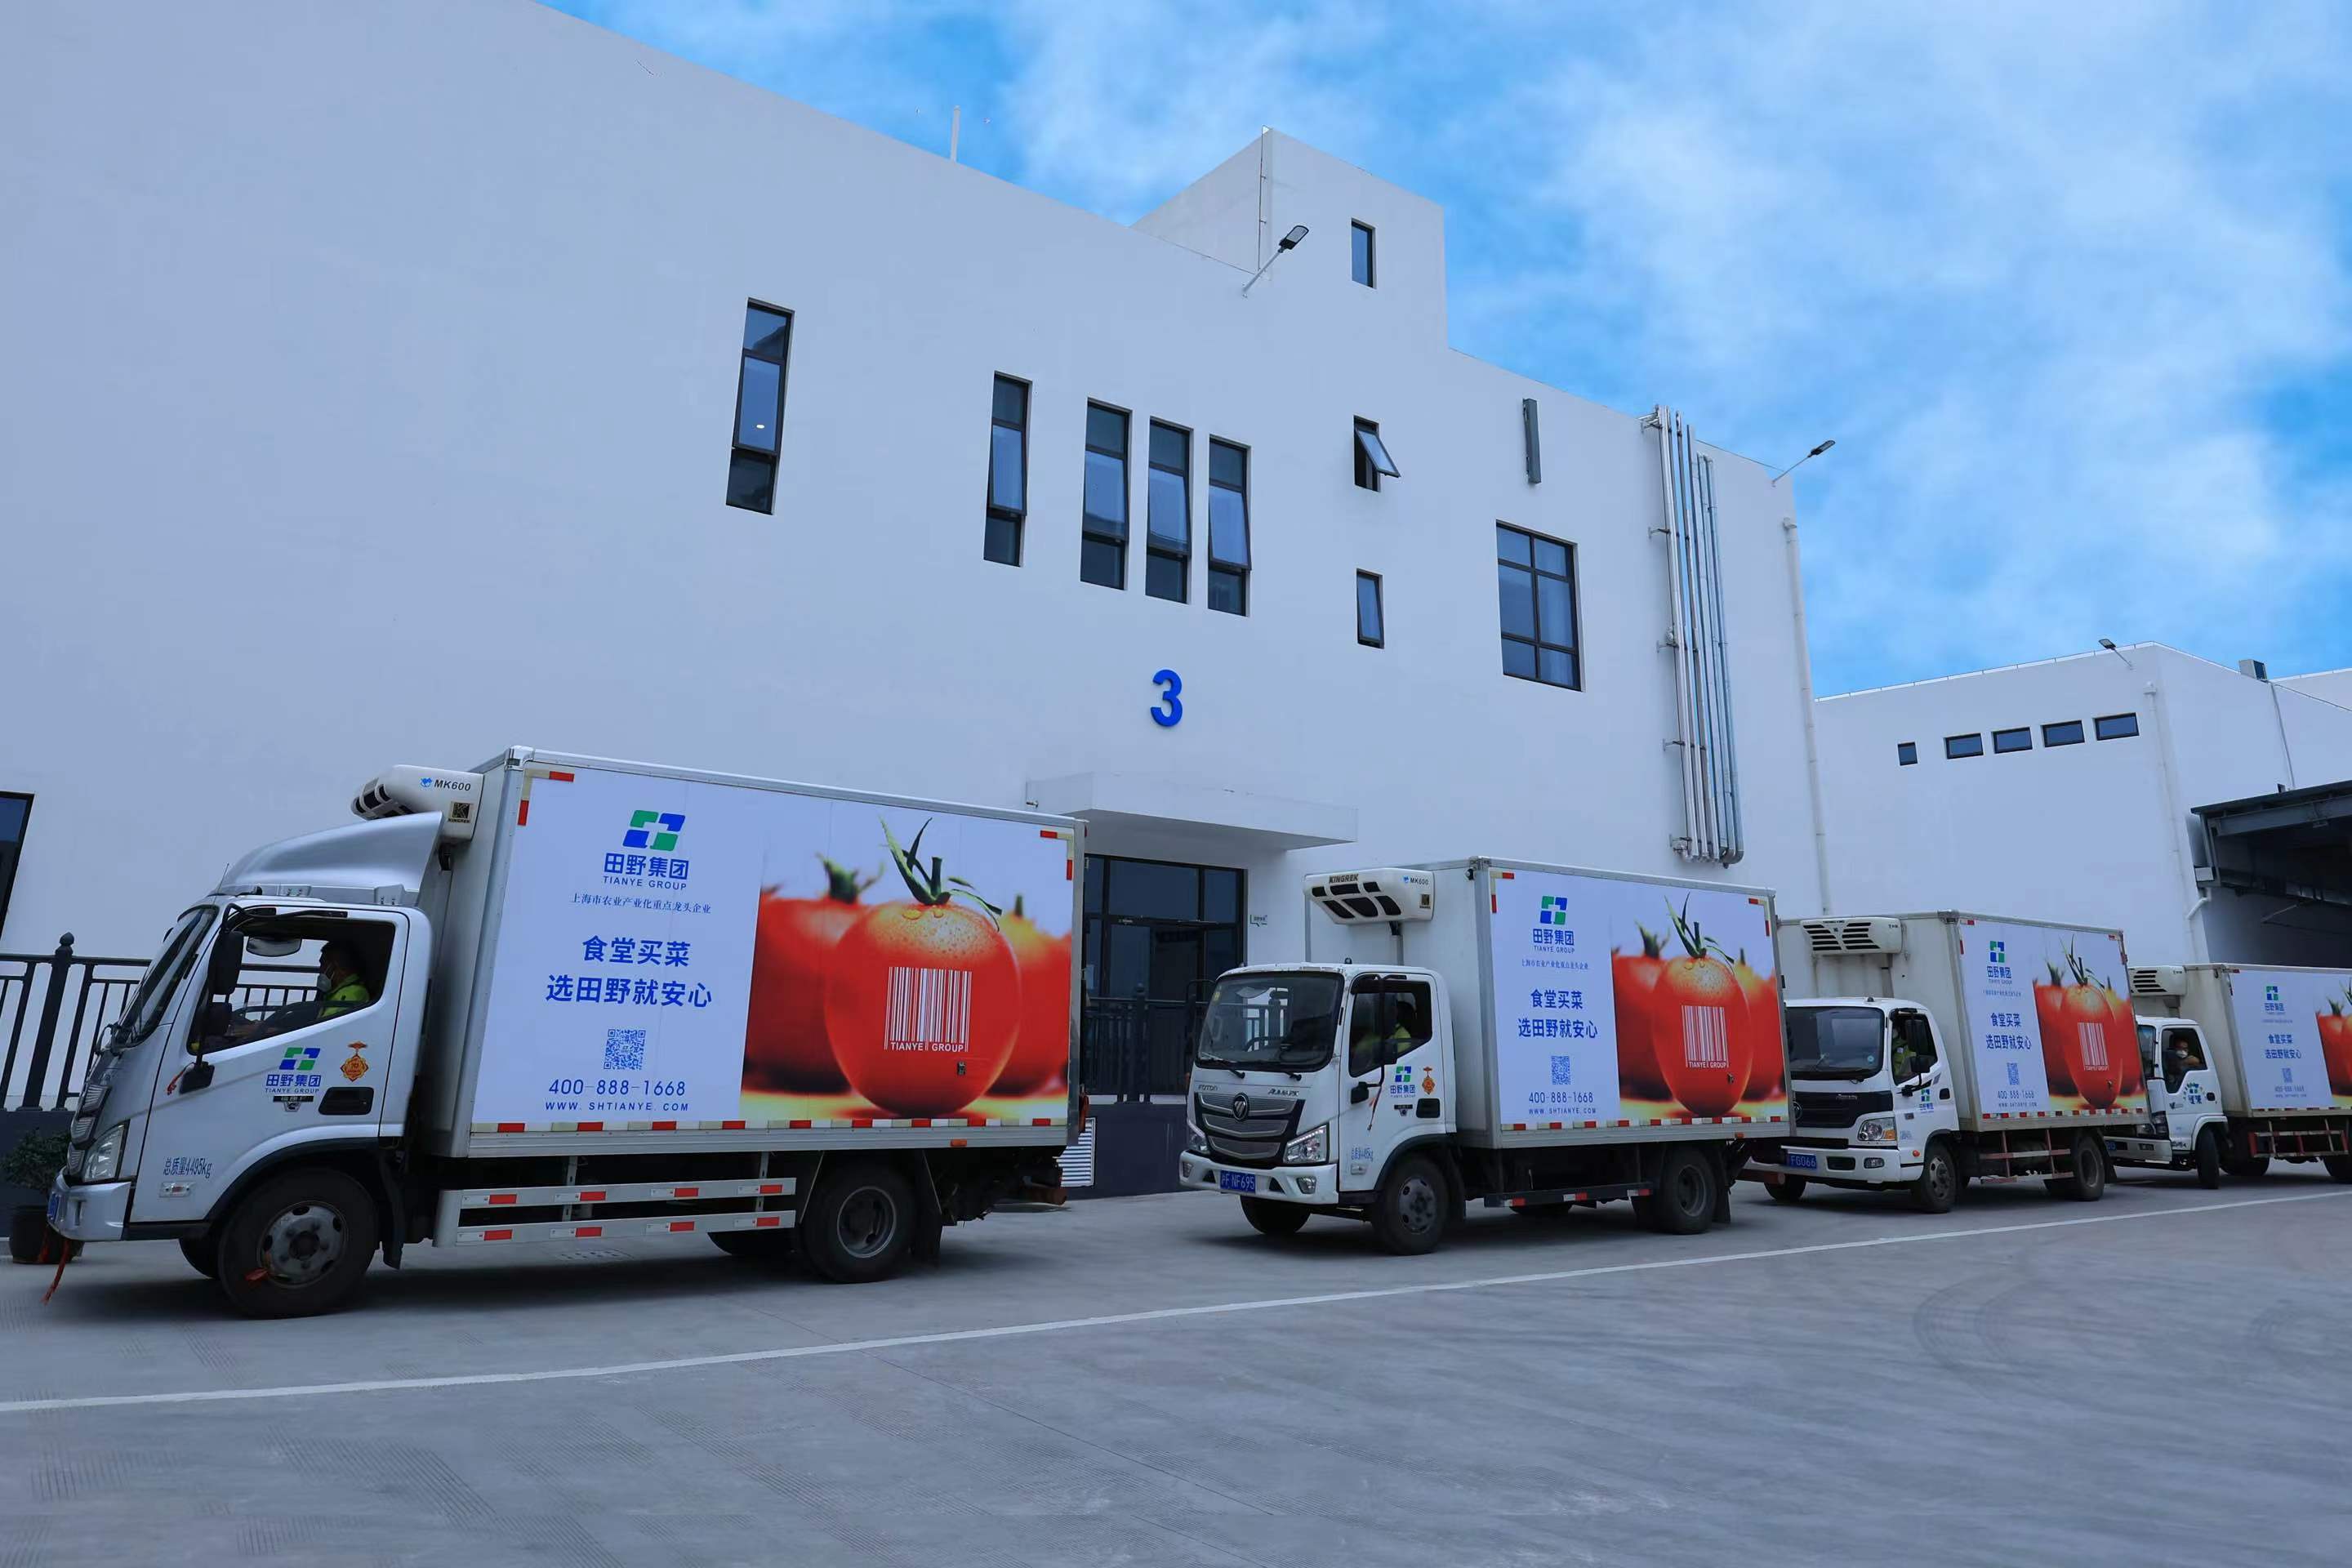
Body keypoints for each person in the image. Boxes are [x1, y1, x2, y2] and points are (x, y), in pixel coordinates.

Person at [315, 939, 373, 1019]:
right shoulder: (336, 992)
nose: (320, 970)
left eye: (323, 964)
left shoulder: (354, 993)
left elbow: (329, 1022)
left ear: (336, 966)